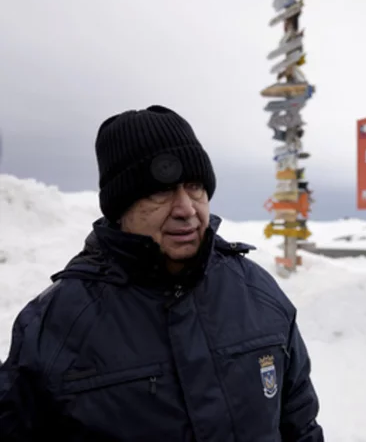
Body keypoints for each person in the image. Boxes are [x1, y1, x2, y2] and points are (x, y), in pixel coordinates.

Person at [0, 105, 324, 441]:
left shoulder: (258, 293)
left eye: (195, 186)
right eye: (161, 191)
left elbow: (301, 427)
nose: (186, 209)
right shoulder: (56, 324)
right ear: (120, 207)